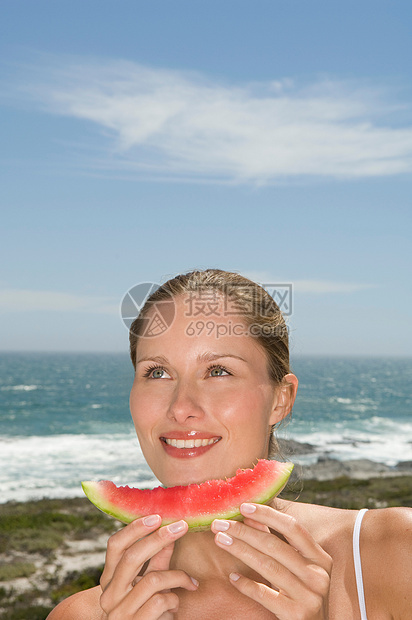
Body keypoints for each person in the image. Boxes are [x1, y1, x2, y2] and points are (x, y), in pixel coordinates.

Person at [48, 269, 412, 619]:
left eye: (218, 371)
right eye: (157, 372)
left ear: (280, 399)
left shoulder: (396, 552)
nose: (180, 408)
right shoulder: (84, 615)